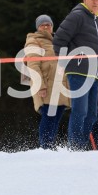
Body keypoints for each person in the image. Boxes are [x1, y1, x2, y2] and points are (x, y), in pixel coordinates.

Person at [52, 0, 98, 150]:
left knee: (91, 114)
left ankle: (81, 146)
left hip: (94, 74)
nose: (96, 2)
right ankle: (74, 146)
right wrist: (67, 62)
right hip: (78, 71)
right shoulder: (77, 16)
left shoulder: (96, 21)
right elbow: (58, 40)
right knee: (80, 111)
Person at [25, 14, 70, 149]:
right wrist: (40, 86)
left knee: (56, 117)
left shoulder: (57, 41)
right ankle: (45, 146)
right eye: (42, 25)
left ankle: (50, 146)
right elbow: (33, 65)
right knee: (49, 116)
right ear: (38, 27)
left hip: (60, 85)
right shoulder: (33, 40)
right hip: (46, 85)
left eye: (48, 24)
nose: (45, 27)